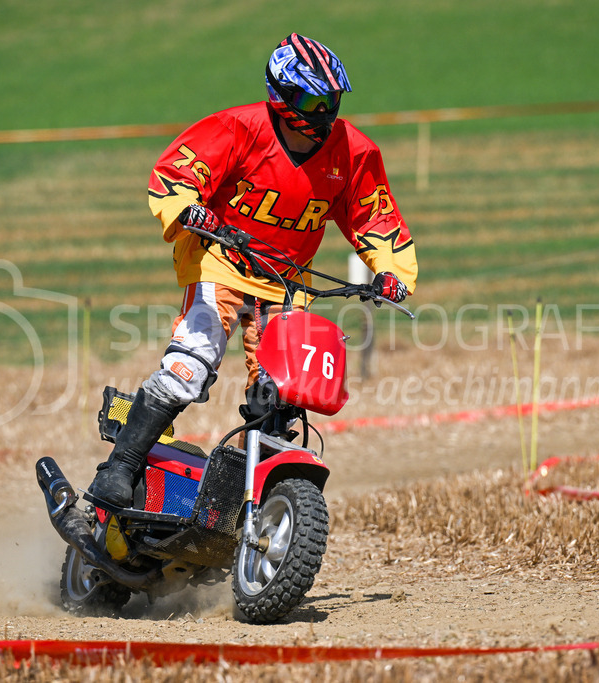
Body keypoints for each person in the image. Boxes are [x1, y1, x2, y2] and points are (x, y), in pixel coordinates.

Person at [89, 33, 418, 507]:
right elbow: (178, 174)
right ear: (281, 95)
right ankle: (118, 468)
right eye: (311, 99)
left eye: (332, 100)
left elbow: (375, 215)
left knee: (281, 394)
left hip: (287, 280)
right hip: (220, 262)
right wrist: (188, 209)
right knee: (191, 365)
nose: (324, 111)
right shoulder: (236, 129)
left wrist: (391, 273)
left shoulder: (353, 152)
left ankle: (242, 502)